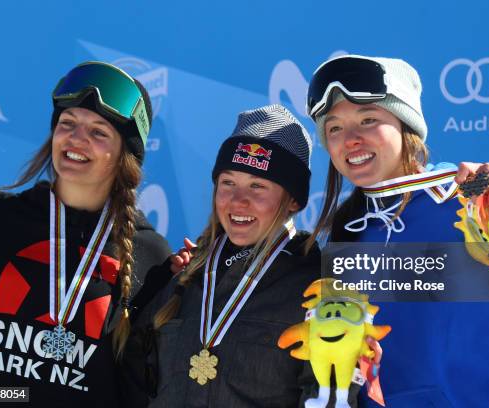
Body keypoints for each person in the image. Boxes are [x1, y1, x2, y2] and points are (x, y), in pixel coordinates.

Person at [305, 55, 489, 407]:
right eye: (334, 128)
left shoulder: (479, 201)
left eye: (368, 119)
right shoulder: (344, 234)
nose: (350, 139)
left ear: (406, 125)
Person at [0, 61, 172, 407]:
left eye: (98, 132)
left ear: (124, 155)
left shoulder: (152, 258)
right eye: (67, 123)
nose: (76, 139)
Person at [134, 104, 349, 407]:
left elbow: (329, 399)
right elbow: (131, 379)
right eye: (228, 183)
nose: (238, 201)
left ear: (294, 201)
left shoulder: (321, 287)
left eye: (258, 186)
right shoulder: (187, 276)